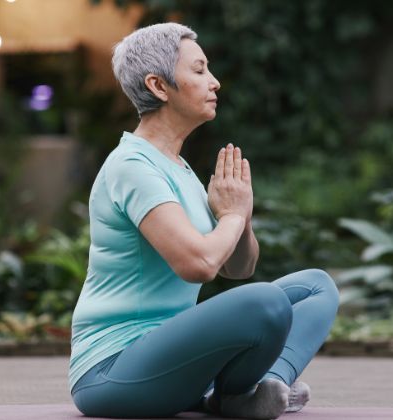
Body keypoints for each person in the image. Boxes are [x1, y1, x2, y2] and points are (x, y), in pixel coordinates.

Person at [69, 22, 339, 419]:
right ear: (159, 86)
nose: (214, 83)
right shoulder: (132, 166)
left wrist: (241, 216)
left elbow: (237, 267)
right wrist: (229, 215)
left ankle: (259, 389)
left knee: (316, 286)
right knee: (265, 302)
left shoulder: (178, 168)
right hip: (113, 371)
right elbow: (198, 265)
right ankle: (233, 395)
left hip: (173, 363)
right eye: (199, 70)